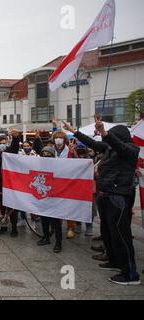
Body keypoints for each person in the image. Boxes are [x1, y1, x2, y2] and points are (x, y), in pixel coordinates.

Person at [64, 119, 141, 285]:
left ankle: (130, 274)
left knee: (121, 235)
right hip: (105, 194)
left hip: (118, 196)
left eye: (113, 136)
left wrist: (106, 133)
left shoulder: (131, 149)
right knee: (108, 232)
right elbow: (92, 142)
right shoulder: (109, 148)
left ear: (119, 137)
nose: (107, 140)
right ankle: (114, 260)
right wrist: (73, 131)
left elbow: (121, 147)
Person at [51, 125, 78, 239]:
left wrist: (72, 153)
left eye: (60, 137)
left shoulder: (70, 150)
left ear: (64, 140)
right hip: (55, 181)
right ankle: (57, 225)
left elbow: (77, 164)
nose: (58, 139)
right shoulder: (51, 150)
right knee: (56, 205)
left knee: (68, 205)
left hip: (68, 182)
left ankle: (71, 227)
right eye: (56, 137)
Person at [36, 147, 63, 253]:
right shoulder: (39, 166)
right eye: (44, 153)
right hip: (43, 198)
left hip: (55, 198)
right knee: (44, 220)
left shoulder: (58, 166)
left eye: (48, 153)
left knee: (56, 222)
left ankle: (58, 242)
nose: (46, 155)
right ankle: (46, 237)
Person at [0, 130, 21, 237]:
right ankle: (3, 226)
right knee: (1, 208)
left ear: (7, 143)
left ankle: (14, 228)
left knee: (11, 208)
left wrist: (15, 137)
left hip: (10, 185)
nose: (2, 145)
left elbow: (15, 147)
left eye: (3, 143)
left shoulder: (10, 152)